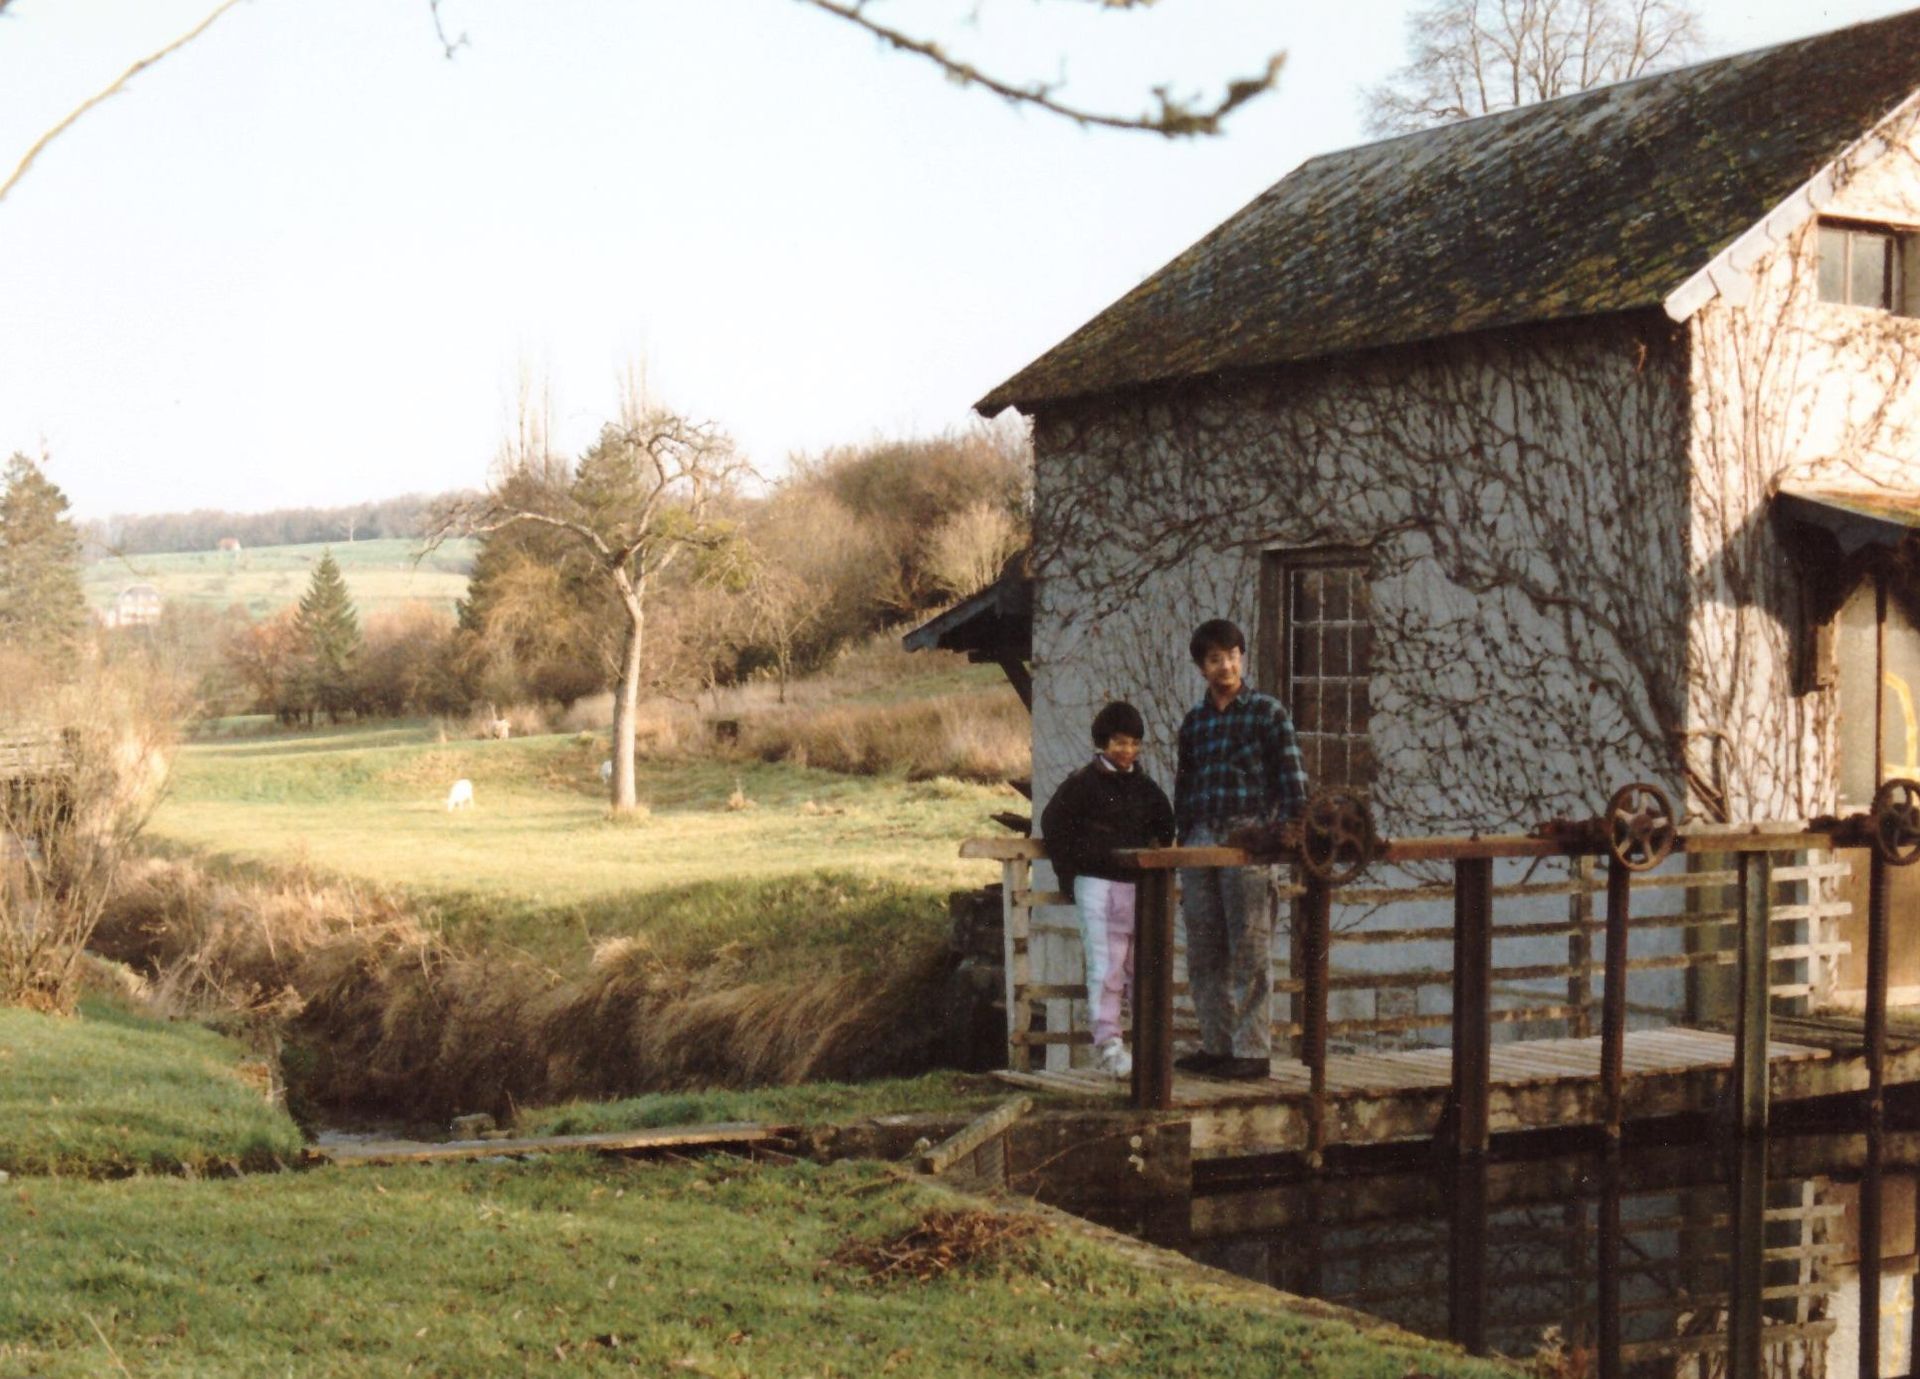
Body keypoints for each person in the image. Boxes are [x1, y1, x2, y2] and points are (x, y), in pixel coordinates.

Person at [1174, 619, 1308, 1081]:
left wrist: (1293, 831)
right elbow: (1185, 785)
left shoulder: (1268, 713)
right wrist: (1183, 836)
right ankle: (1216, 1044)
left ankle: (1251, 1051)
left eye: (1232, 655)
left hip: (1250, 841)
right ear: (1202, 668)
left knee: (1250, 948)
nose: (1225, 665)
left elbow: (1293, 780)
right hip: (1200, 842)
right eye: (1215, 659)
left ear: (1242, 658)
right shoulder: (1194, 722)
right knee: (1204, 949)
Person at [1039, 700, 1175, 1079]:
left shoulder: (1146, 788)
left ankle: (1147, 1047)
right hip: (1097, 886)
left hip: (1138, 889)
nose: (1127, 751)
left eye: (1134, 743)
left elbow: (1165, 825)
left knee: (1141, 968)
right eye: (1119, 742)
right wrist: (1069, 876)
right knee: (1105, 967)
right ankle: (1109, 1046)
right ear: (1102, 743)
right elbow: (1053, 825)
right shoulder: (1081, 785)